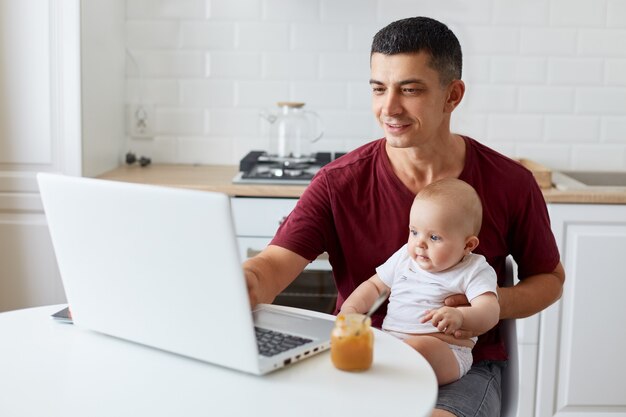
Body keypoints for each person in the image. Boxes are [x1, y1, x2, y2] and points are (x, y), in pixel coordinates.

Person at [244, 16, 565, 417]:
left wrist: (482, 305)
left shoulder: (510, 182)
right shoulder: (337, 182)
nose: (389, 108)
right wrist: (247, 281)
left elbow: (549, 280)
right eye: (379, 89)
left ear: (453, 95)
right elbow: (274, 265)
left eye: (410, 90)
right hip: (360, 358)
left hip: (461, 371)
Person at [340, 178, 500, 386]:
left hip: (445, 351)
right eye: (414, 232)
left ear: (467, 245)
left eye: (434, 237)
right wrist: (351, 308)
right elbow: (375, 286)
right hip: (393, 342)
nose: (419, 243)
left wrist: (461, 316)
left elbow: (490, 311)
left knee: (418, 348)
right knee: (363, 344)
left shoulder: (473, 269)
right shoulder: (404, 258)